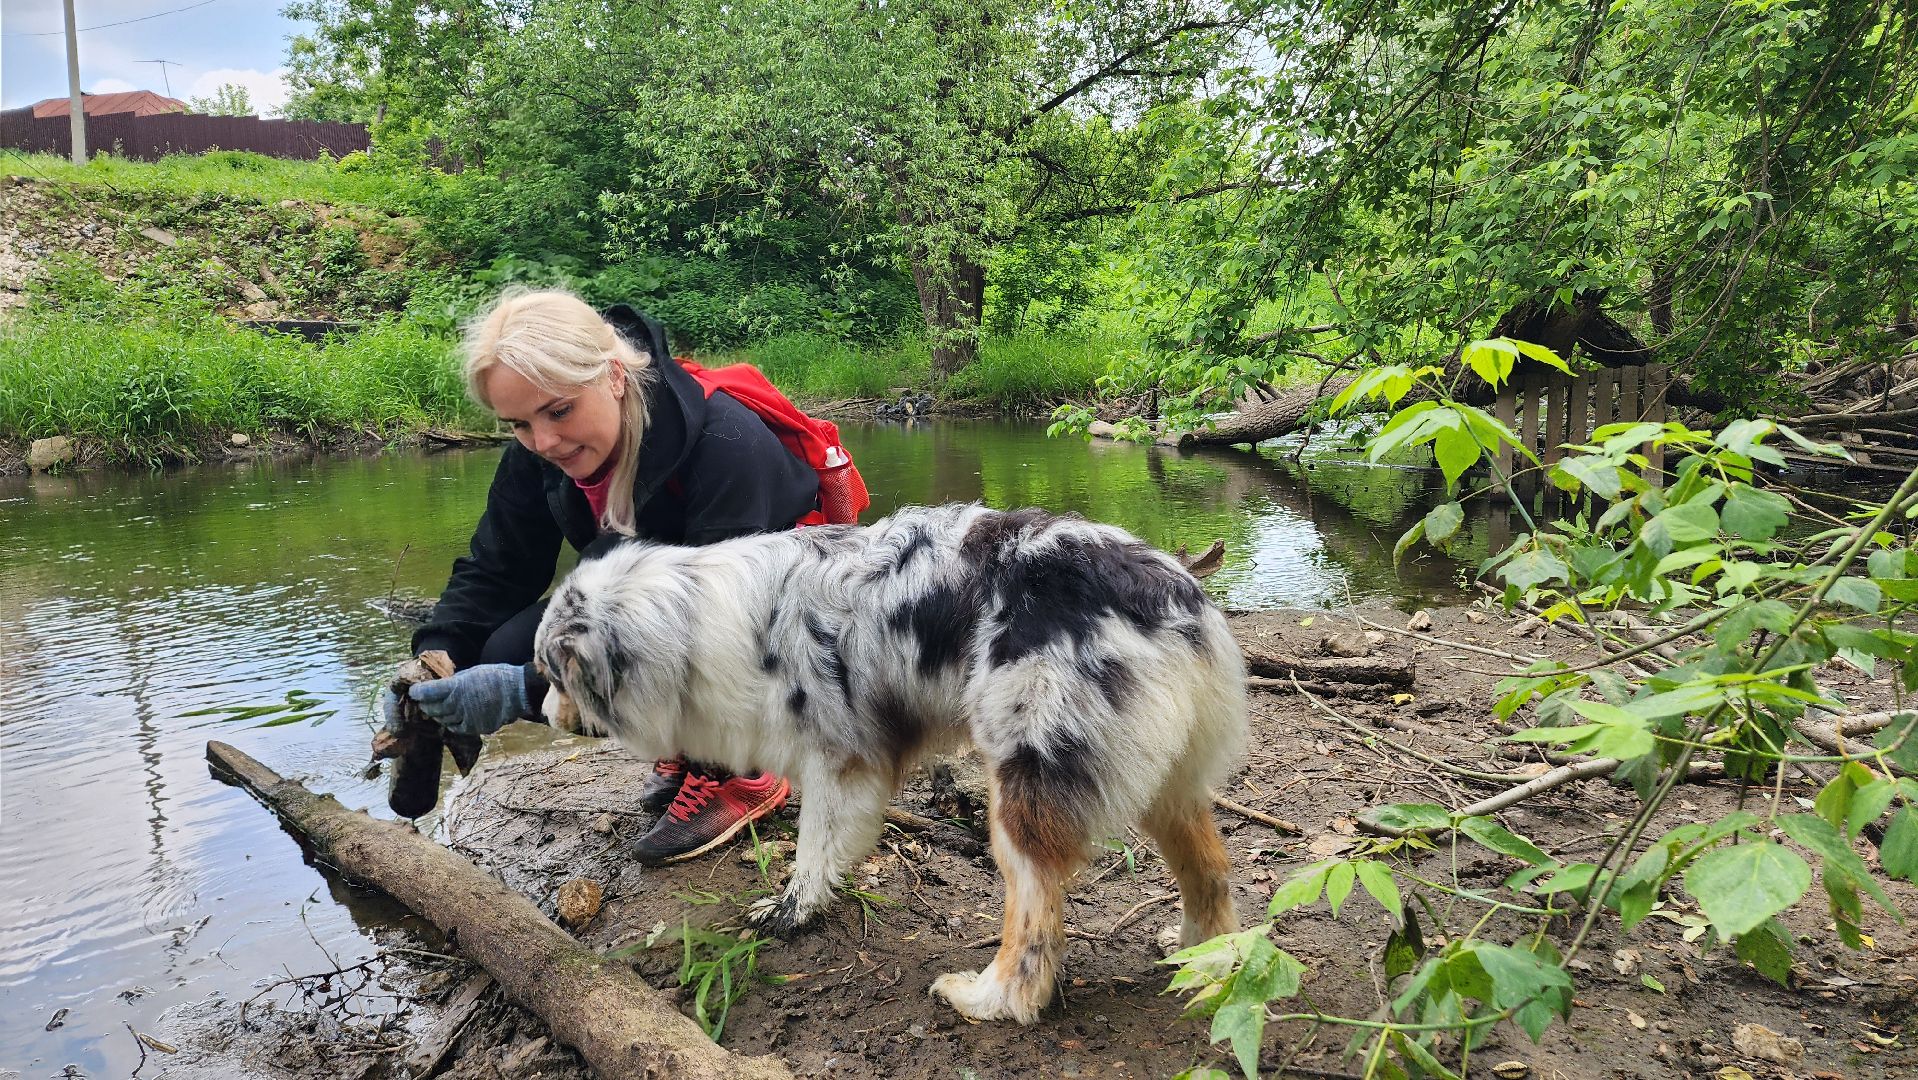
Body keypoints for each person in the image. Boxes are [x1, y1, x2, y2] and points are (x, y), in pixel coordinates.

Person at [384, 287, 819, 864]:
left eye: (559, 411)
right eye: (518, 424)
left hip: (777, 621)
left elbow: (713, 632)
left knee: (565, 665)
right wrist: (435, 655)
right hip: (667, 593)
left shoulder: (727, 444)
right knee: (502, 647)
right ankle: (682, 745)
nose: (544, 442)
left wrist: (525, 689)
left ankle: (744, 769)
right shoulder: (539, 453)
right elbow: (498, 569)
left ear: (614, 376)